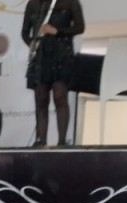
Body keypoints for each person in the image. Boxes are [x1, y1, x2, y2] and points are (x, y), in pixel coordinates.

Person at [22, 0, 85, 147]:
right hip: (41, 55)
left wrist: (58, 31)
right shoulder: (33, 4)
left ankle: (62, 142)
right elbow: (25, 31)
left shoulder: (70, 2)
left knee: (60, 96)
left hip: (61, 54)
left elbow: (80, 27)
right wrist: (31, 42)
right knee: (41, 98)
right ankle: (40, 140)